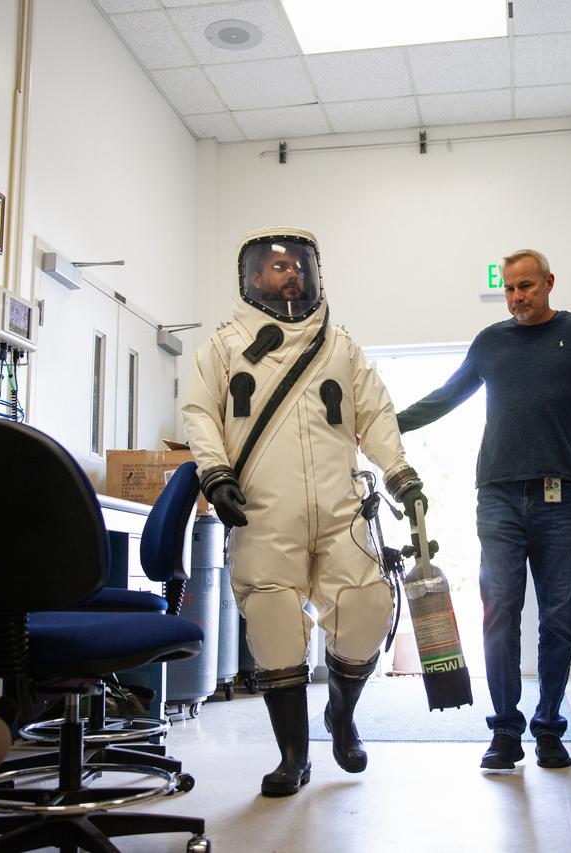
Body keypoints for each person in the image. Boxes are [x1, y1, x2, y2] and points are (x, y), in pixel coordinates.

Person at [181, 227, 428, 796]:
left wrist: (401, 475)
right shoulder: (222, 348)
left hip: (342, 508)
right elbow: (199, 414)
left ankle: (341, 713)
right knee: (272, 624)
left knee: (367, 607)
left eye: (298, 264)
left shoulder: (340, 346)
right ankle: (293, 755)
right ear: (251, 276)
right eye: (277, 265)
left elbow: (376, 414)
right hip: (263, 510)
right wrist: (215, 472)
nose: (290, 272)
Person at [396, 249, 571, 771]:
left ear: (549, 282)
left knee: (558, 619)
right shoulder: (490, 342)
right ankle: (505, 729)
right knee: (500, 613)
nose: (516, 297)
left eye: (525, 286)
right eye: (509, 289)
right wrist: (386, 425)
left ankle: (548, 726)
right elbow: (446, 396)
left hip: (560, 496)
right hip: (498, 497)